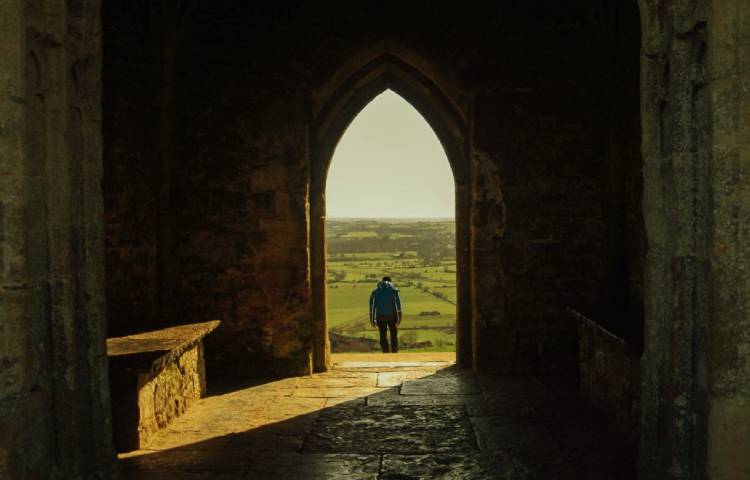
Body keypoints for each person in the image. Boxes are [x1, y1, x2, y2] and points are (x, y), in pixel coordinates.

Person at [369, 276, 403, 353]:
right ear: (391, 282)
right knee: (394, 335)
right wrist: (399, 318)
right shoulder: (394, 291)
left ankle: (385, 353)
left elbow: (372, 306)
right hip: (392, 317)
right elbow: (399, 305)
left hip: (380, 317)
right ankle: (394, 352)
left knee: (382, 335)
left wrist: (372, 319)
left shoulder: (375, 292)